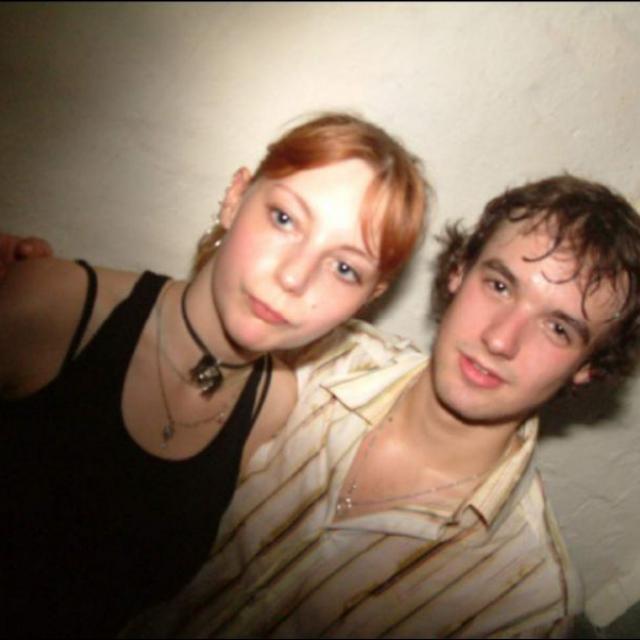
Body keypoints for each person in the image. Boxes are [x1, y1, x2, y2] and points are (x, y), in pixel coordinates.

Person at [120, 174, 640, 638]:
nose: (501, 339)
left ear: (588, 367)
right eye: (500, 285)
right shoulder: (309, 357)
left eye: (558, 328)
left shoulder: (523, 604)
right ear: (459, 272)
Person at [0, 112, 429, 637]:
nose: (293, 277)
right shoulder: (54, 307)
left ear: (368, 299)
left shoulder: (274, 412)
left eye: (344, 268)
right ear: (235, 197)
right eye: (285, 219)